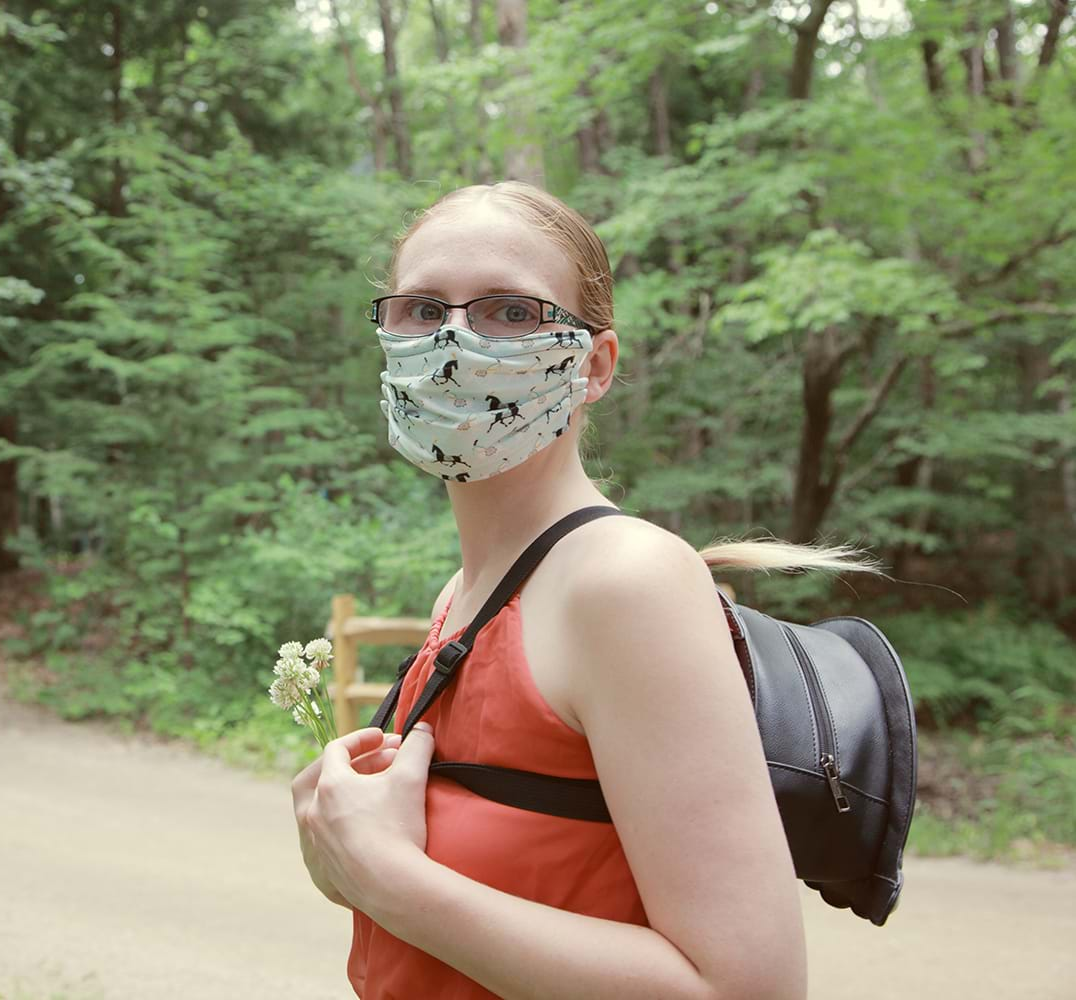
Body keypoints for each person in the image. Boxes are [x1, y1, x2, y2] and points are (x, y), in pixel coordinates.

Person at [291, 181, 878, 1000]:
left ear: (593, 365)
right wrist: (347, 854)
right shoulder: (464, 593)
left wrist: (384, 874)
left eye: (511, 312)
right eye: (423, 310)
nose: (454, 340)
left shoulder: (623, 584)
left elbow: (746, 988)